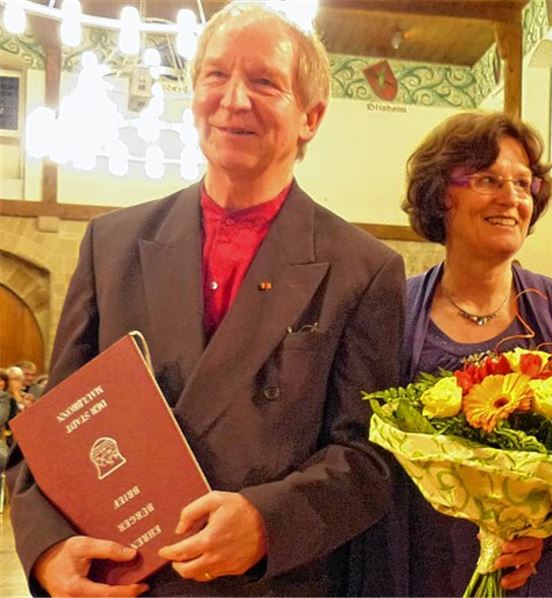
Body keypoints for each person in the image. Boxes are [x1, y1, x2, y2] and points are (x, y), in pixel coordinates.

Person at [8, 3, 405, 596]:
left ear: (311, 117)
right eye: (215, 75)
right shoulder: (111, 244)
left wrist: (268, 522)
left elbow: (370, 461)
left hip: (267, 585)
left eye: (264, 81)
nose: (233, 99)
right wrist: (46, 548)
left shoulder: (364, 269)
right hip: (125, 580)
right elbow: (52, 426)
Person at [355, 112, 552, 597]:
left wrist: (545, 532)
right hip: (414, 572)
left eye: (523, 183)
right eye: (488, 180)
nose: (512, 198)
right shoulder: (389, 311)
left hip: (535, 575)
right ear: (441, 196)